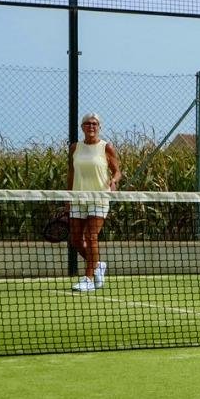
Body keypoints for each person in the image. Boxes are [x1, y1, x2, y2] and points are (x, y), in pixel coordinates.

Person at [67, 113, 121, 292]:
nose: (91, 126)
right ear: (82, 127)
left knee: (91, 237)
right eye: (87, 124)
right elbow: (71, 173)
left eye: (94, 124)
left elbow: (117, 172)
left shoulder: (107, 147)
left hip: (99, 198)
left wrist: (113, 181)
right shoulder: (75, 147)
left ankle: (88, 278)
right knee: (75, 240)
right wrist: (67, 196)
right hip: (77, 197)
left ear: (99, 127)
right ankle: (98, 265)